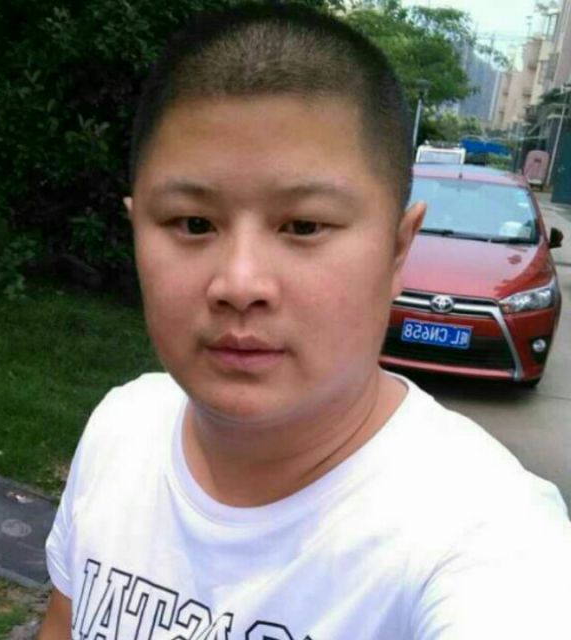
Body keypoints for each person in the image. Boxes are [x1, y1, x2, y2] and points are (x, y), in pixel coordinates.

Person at [38, 3, 571, 638]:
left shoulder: (488, 538)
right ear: (137, 230)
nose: (240, 285)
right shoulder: (121, 428)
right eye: (193, 223)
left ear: (398, 248)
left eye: (304, 226)